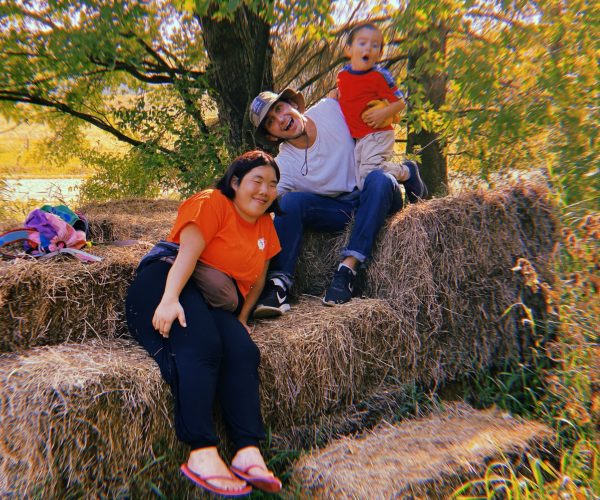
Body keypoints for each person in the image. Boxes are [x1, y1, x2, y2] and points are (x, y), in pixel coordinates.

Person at [125, 151, 283, 497]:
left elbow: (259, 278)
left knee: (242, 351)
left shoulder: (266, 224)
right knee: (203, 344)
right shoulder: (212, 202)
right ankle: (201, 450)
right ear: (236, 182)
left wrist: (242, 319)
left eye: (272, 184)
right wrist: (169, 300)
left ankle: (246, 450)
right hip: (167, 278)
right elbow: (187, 254)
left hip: (212, 300)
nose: (265, 190)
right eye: (257, 180)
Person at [248, 86, 427, 315]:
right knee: (288, 203)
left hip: (375, 193)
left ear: (293, 105)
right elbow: (260, 202)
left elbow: (361, 91)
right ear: (272, 135)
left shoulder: (328, 110)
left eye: (280, 108)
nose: (281, 119)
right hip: (340, 210)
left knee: (379, 179)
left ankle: (347, 270)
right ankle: (279, 286)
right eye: (271, 121)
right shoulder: (284, 164)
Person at [338, 22, 425, 192]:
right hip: (359, 137)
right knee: (361, 181)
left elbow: (400, 102)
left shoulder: (379, 76)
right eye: (362, 43)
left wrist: (383, 113)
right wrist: (335, 94)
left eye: (375, 45)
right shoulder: (342, 76)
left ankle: (407, 172)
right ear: (348, 50)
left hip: (378, 133)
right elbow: (348, 94)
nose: (368, 48)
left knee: (371, 171)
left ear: (379, 54)